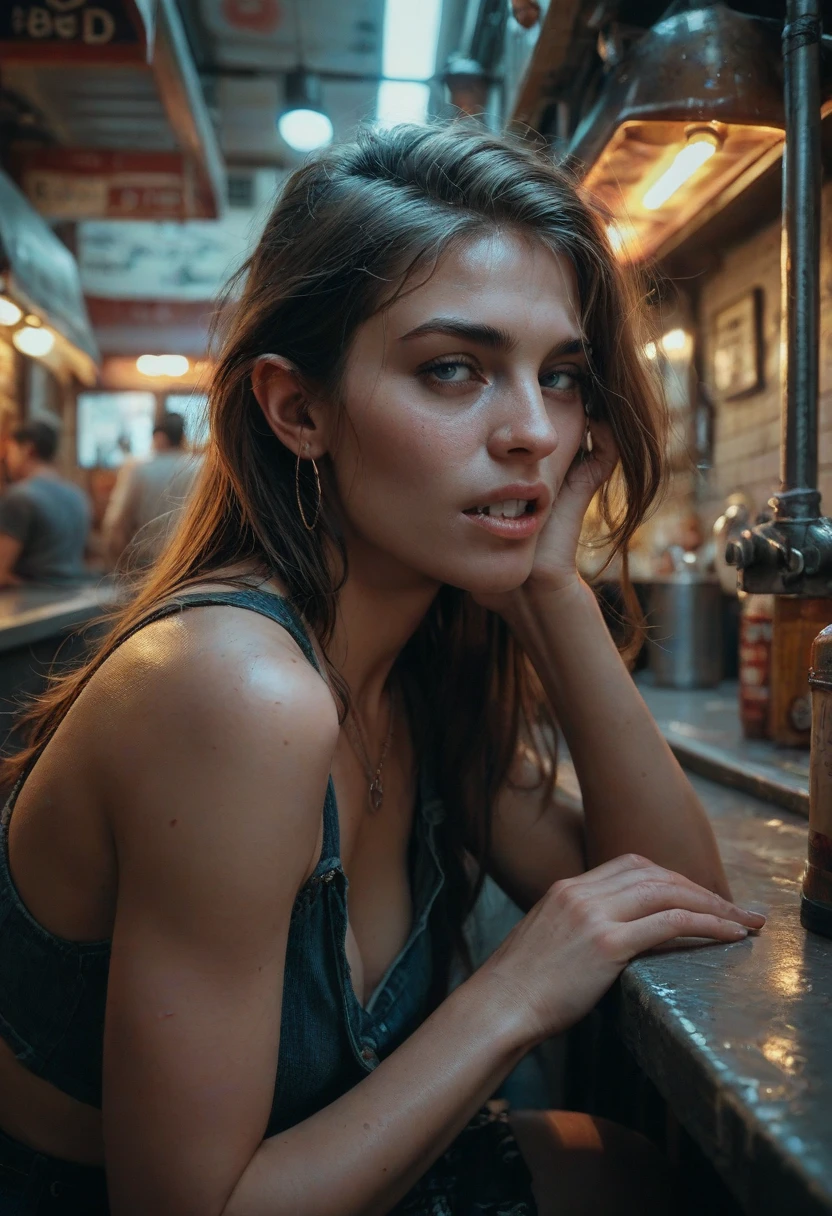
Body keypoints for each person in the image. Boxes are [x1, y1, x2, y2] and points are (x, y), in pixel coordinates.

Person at [0, 124, 764, 1216]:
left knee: (636, 1179)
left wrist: (549, 589)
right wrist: (514, 991)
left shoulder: (420, 657)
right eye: (453, 369)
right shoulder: (235, 686)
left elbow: (681, 900)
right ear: (296, 408)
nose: (535, 434)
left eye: (559, 377)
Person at [102, 411, 202, 569]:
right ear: (183, 436)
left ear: (159, 437)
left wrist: (116, 564)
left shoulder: (140, 469)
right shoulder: (201, 467)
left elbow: (117, 522)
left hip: (146, 562)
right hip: (190, 561)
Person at [0, 420, 91, 587]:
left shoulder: (19, 497)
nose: (6, 459)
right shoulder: (76, 495)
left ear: (27, 449)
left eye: (10, 451)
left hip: (30, 604)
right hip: (72, 599)